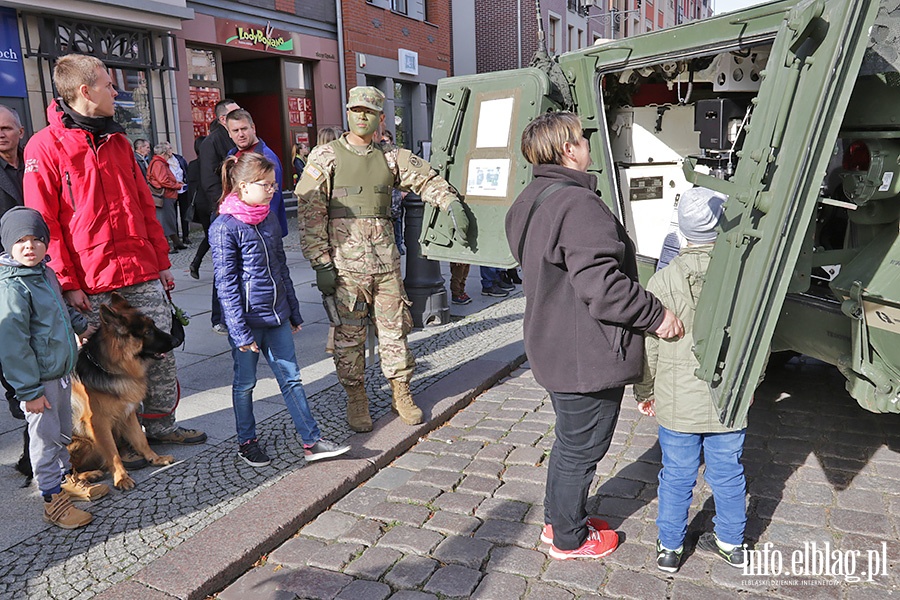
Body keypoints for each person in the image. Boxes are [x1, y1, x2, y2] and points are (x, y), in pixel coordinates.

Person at [505, 111, 683, 560]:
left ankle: (557, 522)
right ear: (568, 149)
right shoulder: (577, 204)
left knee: (570, 442)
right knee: (582, 448)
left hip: (554, 344)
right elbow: (603, 287)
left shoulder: (529, 198)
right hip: (583, 354)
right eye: (582, 139)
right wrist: (657, 315)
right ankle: (569, 538)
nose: (587, 145)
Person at [24, 53, 206, 447]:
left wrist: (161, 262)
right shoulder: (44, 146)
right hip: (90, 282)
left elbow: (144, 204)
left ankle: (161, 426)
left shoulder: (119, 140)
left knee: (160, 352)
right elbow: (45, 225)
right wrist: (69, 284)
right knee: (102, 366)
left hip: (140, 270)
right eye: (109, 84)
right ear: (86, 90)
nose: (116, 91)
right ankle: (122, 437)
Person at [296, 86, 469, 433]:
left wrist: (450, 203)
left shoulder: (391, 157)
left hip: (386, 265)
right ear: (348, 113)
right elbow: (310, 213)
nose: (362, 116)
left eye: (369, 111)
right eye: (356, 110)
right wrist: (321, 263)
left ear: (380, 118)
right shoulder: (325, 157)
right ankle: (356, 396)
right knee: (349, 337)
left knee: (395, 334)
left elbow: (427, 179)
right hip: (346, 269)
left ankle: (401, 391)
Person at [633, 187, 749, 573]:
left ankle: (669, 546)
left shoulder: (663, 281)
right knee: (728, 472)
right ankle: (732, 541)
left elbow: (649, 347)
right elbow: (759, 340)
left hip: (678, 400)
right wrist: (752, 381)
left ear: (682, 231)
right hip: (727, 397)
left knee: (677, 474)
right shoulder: (741, 279)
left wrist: (645, 390)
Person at [211, 152, 351, 467]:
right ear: (244, 186)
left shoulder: (270, 218)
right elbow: (226, 286)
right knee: (245, 383)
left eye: (274, 184)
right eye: (267, 185)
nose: (273, 190)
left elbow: (281, 268)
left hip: (277, 316)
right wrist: (239, 332)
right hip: (247, 322)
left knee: (291, 379)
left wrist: (293, 311)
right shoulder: (224, 227)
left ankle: (312, 441)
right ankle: (246, 442)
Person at [0, 207, 108, 528]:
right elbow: (13, 348)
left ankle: (65, 480)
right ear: (7, 245)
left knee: (62, 433)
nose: (29, 246)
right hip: (39, 382)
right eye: (20, 240)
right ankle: (50, 498)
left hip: (60, 373)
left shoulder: (45, 273)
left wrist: (78, 324)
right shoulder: (12, 288)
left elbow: (59, 307)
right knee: (45, 439)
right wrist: (29, 392)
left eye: (36, 239)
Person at [199, 98, 240, 334]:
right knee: (224, 268)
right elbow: (209, 181)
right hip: (224, 211)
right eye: (235, 114)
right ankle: (219, 317)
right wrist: (223, 206)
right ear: (222, 119)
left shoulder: (237, 137)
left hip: (242, 209)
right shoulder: (212, 142)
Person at [0, 105, 27, 417]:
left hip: (40, 260)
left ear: (20, 131)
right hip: (5, 268)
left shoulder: (33, 162)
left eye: (7, 128)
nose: (2, 134)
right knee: (10, 336)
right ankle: (16, 394)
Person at [224, 109, 288, 237]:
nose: (240, 134)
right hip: (238, 226)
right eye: (235, 131)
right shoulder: (231, 155)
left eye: (244, 129)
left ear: (253, 128)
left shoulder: (266, 157)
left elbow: (272, 196)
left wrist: (265, 230)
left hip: (260, 229)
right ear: (229, 133)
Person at [148, 143, 185, 253]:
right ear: (164, 153)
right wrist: (177, 185)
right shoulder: (159, 163)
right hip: (165, 196)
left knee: (168, 221)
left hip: (166, 196)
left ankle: (176, 243)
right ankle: (166, 247)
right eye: (168, 150)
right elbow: (163, 181)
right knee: (166, 222)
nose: (171, 152)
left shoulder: (159, 163)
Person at [380, 128, 406, 255]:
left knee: (397, 220)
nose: (384, 143)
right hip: (385, 194)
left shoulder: (395, 153)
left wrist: (404, 191)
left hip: (395, 193)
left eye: (386, 140)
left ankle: (399, 244)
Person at [187, 136, 210, 279]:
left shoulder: (192, 164)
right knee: (212, 236)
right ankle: (196, 261)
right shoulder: (209, 163)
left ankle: (196, 261)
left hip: (199, 203)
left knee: (210, 235)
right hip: (210, 202)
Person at [167, 142, 191, 245]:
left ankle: (186, 235)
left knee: (184, 213)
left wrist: (186, 182)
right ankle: (176, 237)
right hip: (171, 190)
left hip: (182, 189)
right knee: (173, 215)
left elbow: (185, 170)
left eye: (170, 148)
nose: (169, 151)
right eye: (167, 149)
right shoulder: (163, 161)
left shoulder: (179, 158)